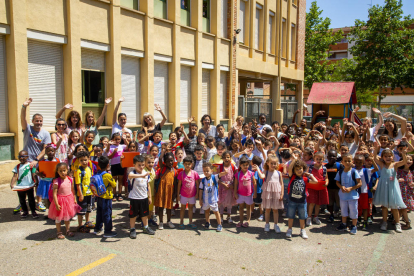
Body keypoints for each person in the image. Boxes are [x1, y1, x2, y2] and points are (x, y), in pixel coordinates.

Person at [20, 98, 51, 213]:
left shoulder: (46, 133)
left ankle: (39, 202)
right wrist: (24, 107)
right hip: (26, 161)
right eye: (36, 120)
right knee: (25, 183)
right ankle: (22, 202)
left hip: (39, 162)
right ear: (33, 121)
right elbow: (22, 119)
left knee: (39, 182)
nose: (38, 122)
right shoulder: (28, 129)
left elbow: (45, 149)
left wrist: (36, 160)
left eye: (40, 121)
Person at [372, 144, 407, 233]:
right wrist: (376, 149)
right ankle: (384, 222)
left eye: (390, 156)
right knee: (384, 206)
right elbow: (375, 158)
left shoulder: (395, 164)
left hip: (392, 187)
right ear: (383, 157)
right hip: (383, 187)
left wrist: (403, 154)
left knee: (394, 206)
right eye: (386, 156)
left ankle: (397, 223)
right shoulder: (382, 165)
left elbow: (404, 162)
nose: (388, 158)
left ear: (392, 156)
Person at [286, 158, 318, 239]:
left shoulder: (305, 178)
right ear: (294, 170)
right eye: (297, 169)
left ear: (303, 168)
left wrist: (310, 175)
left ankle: (302, 230)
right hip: (292, 201)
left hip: (302, 201)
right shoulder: (292, 176)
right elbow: (290, 168)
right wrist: (295, 160)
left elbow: (316, 181)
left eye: (300, 168)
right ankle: (289, 229)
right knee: (291, 216)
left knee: (302, 217)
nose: (299, 170)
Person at [48, 163, 78, 239]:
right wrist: (56, 204)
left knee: (67, 217)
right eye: (60, 171)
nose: (62, 172)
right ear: (57, 172)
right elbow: (54, 194)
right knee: (58, 218)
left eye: (64, 170)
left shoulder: (70, 179)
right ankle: (59, 232)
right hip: (60, 201)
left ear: (67, 170)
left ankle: (68, 230)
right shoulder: (56, 181)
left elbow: (72, 190)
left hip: (69, 200)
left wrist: (74, 198)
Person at [334, 153, 362, 235]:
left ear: (352, 161)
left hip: (352, 196)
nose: (347, 162)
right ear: (342, 162)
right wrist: (341, 187)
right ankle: (344, 224)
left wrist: (351, 188)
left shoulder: (354, 171)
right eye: (345, 161)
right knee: (343, 210)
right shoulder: (340, 172)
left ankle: (354, 225)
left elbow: (359, 183)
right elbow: (337, 182)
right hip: (343, 196)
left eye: (349, 161)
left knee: (353, 211)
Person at [128, 155, 155, 238]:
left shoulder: (146, 173)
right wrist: (141, 176)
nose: (141, 167)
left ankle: (145, 227)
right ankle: (132, 229)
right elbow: (130, 176)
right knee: (133, 215)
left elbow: (148, 186)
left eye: (143, 165)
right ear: (134, 165)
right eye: (139, 165)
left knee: (144, 214)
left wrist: (149, 196)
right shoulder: (133, 173)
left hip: (144, 197)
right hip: (134, 198)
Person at [256, 155, 284, 233]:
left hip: (276, 193)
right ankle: (267, 224)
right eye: (271, 163)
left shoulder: (279, 173)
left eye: (275, 163)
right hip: (268, 193)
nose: (273, 165)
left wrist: (282, 194)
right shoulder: (266, 171)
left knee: (275, 210)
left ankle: (276, 225)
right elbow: (261, 176)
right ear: (267, 163)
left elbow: (281, 184)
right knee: (267, 209)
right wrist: (258, 169)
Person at [92, 156, 117, 237]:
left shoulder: (98, 173)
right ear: (108, 165)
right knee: (107, 213)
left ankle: (97, 228)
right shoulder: (107, 175)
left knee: (99, 213)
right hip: (106, 197)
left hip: (99, 196)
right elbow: (114, 184)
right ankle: (108, 231)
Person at [199, 162, 227, 231]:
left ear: (211, 170)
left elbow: (220, 174)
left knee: (216, 212)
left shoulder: (214, 177)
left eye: (207, 171)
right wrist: (200, 199)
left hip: (213, 200)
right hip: (205, 200)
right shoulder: (203, 180)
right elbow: (200, 190)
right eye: (204, 171)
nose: (206, 172)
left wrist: (225, 172)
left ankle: (219, 224)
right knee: (207, 212)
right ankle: (207, 222)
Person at [10, 150, 38, 219]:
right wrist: (12, 183)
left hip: (29, 185)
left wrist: (36, 181)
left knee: (31, 199)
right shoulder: (17, 166)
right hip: (20, 186)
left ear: (27, 157)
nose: (21, 158)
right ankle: (25, 211)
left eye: (23, 156)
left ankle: (33, 212)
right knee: (22, 200)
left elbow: (34, 174)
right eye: (19, 156)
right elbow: (14, 175)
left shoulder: (30, 165)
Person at [154, 152, 177, 230]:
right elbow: (160, 158)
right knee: (161, 206)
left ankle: (169, 221)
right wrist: (164, 150)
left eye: (171, 160)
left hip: (170, 191)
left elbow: (175, 183)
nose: (170, 162)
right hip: (162, 190)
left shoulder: (174, 170)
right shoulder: (163, 168)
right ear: (165, 162)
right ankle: (160, 222)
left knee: (169, 207)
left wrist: (175, 193)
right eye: (168, 161)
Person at [35, 144, 61, 212]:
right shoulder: (43, 161)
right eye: (48, 151)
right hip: (45, 182)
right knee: (48, 199)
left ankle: (56, 211)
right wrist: (39, 174)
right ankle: (50, 213)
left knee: (55, 197)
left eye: (52, 151)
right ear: (46, 152)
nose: (50, 152)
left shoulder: (57, 161)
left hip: (54, 182)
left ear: (55, 151)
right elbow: (36, 170)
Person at [306, 152, 329, 226]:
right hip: (312, 187)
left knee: (318, 204)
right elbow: (306, 176)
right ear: (314, 159)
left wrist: (326, 183)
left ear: (323, 159)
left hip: (320, 187)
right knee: (312, 203)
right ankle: (309, 217)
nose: (319, 160)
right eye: (317, 159)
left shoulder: (324, 168)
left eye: (320, 159)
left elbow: (326, 178)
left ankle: (316, 216)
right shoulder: (310, 167)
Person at [177, 156, 200, 229]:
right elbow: (179, 184)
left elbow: (197, 184)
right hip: (183, 195)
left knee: (190, 208)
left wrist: (197, 193)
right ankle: (181, 222)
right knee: (182, 208)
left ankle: (190, 222)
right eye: (186, 164)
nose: (187, 165)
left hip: (192, 195)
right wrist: (178, 195)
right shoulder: (181, 173)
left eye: (189, 164)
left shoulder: (194, 173)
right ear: (183, 164)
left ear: (192, 164)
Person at [74, 151, 94, 233]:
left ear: (89, 159)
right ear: (78, 160)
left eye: (85, 160)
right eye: (81, 160)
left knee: (88, 209)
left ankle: (87, 222)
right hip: (82, 194)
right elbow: (78, 184)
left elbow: (92, 181)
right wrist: (81, 195)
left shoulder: (89, 169)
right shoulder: (78, 171)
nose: (84, 162)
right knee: (81, 210)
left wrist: (93, 192)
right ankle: (80, 225)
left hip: (90, 193)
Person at [234, 156, 257, 228]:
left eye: (247, 165)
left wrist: (255, 192)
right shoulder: (237, 174)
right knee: (241, 208)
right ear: (240, 165)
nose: (245, 166)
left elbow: (254, 183)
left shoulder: (251, 173)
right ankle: (241, 221)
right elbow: (235, 184)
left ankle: (248, 221)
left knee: (248, 207)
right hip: (240, 194)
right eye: (243, 165)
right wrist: (235, 193)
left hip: (249, 195)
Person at [105, 133, 127, 201]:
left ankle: (119, 194)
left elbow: (128, 146)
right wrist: (114, 152)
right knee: (114, 181)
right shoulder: (110, 147)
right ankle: (114, 194)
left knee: (120, 180)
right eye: (116, 139)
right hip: (114, 165)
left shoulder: (122, 146)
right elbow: (109, 157)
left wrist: (125, 139)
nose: (117, 141)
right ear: (112, 140)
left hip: (121, 165)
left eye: (119, 139)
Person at [217, 151, 237, 223]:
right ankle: (221, 216)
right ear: (222, 158)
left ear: (230, 158)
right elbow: (217, 178)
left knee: (229, 203)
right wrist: (223, 184)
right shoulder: (220, 167)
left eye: (228, 157)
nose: (226, 159)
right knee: (221, 203)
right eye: (224, 157)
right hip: (222, 188)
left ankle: (229, 216)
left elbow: (235, 177)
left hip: (230, 188)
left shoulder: (233, 166)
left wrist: (233, 185)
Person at [397, 154, 414, 230]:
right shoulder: (399, 171)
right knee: (402, 207)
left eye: (410, 160)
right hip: (400, 192)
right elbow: (392, 178)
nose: (409, 161)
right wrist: (397, 180)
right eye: (407, 159)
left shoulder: (412, 172)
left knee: (404, 208)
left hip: (408, 193)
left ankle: (408, 223)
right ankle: (397, 219)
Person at [325, 150, 341, 222]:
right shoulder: (325, 167)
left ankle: (342, 216)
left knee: (339, 203)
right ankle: (331, 215)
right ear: (327, 157)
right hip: (329, 188)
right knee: (330, 203)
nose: (332, 158)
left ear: (336, 157)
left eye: (334, 156)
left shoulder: (339, 166)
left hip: (338, 188)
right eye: (330, 156)